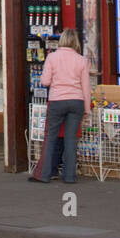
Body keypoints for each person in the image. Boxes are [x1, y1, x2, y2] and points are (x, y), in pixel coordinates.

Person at [31, 28, 90, 185]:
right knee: (71, 140)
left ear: (62, 40)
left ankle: (45, 175)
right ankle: (70, 176)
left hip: (57, 101)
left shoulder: (52, 57)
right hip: (76, 101)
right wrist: (87, 108)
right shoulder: (82, 60)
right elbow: (86, 87)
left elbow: (45, 82)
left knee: (51, 138)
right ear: (75, 42)